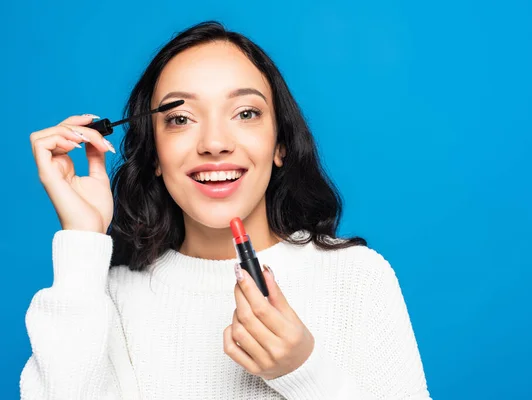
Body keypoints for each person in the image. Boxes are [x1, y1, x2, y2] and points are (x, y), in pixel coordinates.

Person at [21, 21, 432, 399]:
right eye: (180, 118)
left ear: (280, 146)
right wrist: (82, 239)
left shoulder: (358, 278)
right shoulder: (105, 296)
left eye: (246, 113)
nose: (214, 143)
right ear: (154, 157)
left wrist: (305, 371)